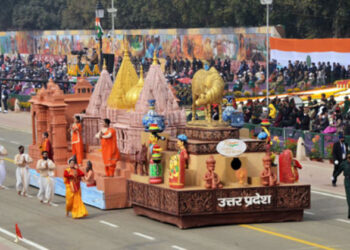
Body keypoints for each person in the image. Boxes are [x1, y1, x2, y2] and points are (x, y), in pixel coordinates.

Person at [333, 154, 350, 219]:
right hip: (348, 181)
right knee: (349, 198)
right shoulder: (344, 164)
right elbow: (339, 171)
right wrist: (334, 176)